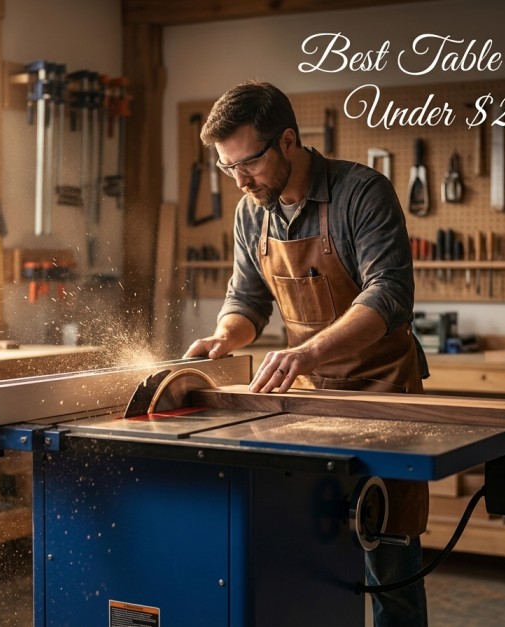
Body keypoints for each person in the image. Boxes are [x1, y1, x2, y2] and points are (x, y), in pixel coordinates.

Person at [183, 80, 430, 626]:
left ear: (288, 141)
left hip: (384, 393)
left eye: (247, 164)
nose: (240, 181)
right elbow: (246, 300)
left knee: (387, 561)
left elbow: (389, 294)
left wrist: (307, 352)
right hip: (311, 401)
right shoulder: (253, 213)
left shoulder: (362, 192)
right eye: (228, 169)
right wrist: (226, 336)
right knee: (311, 559)